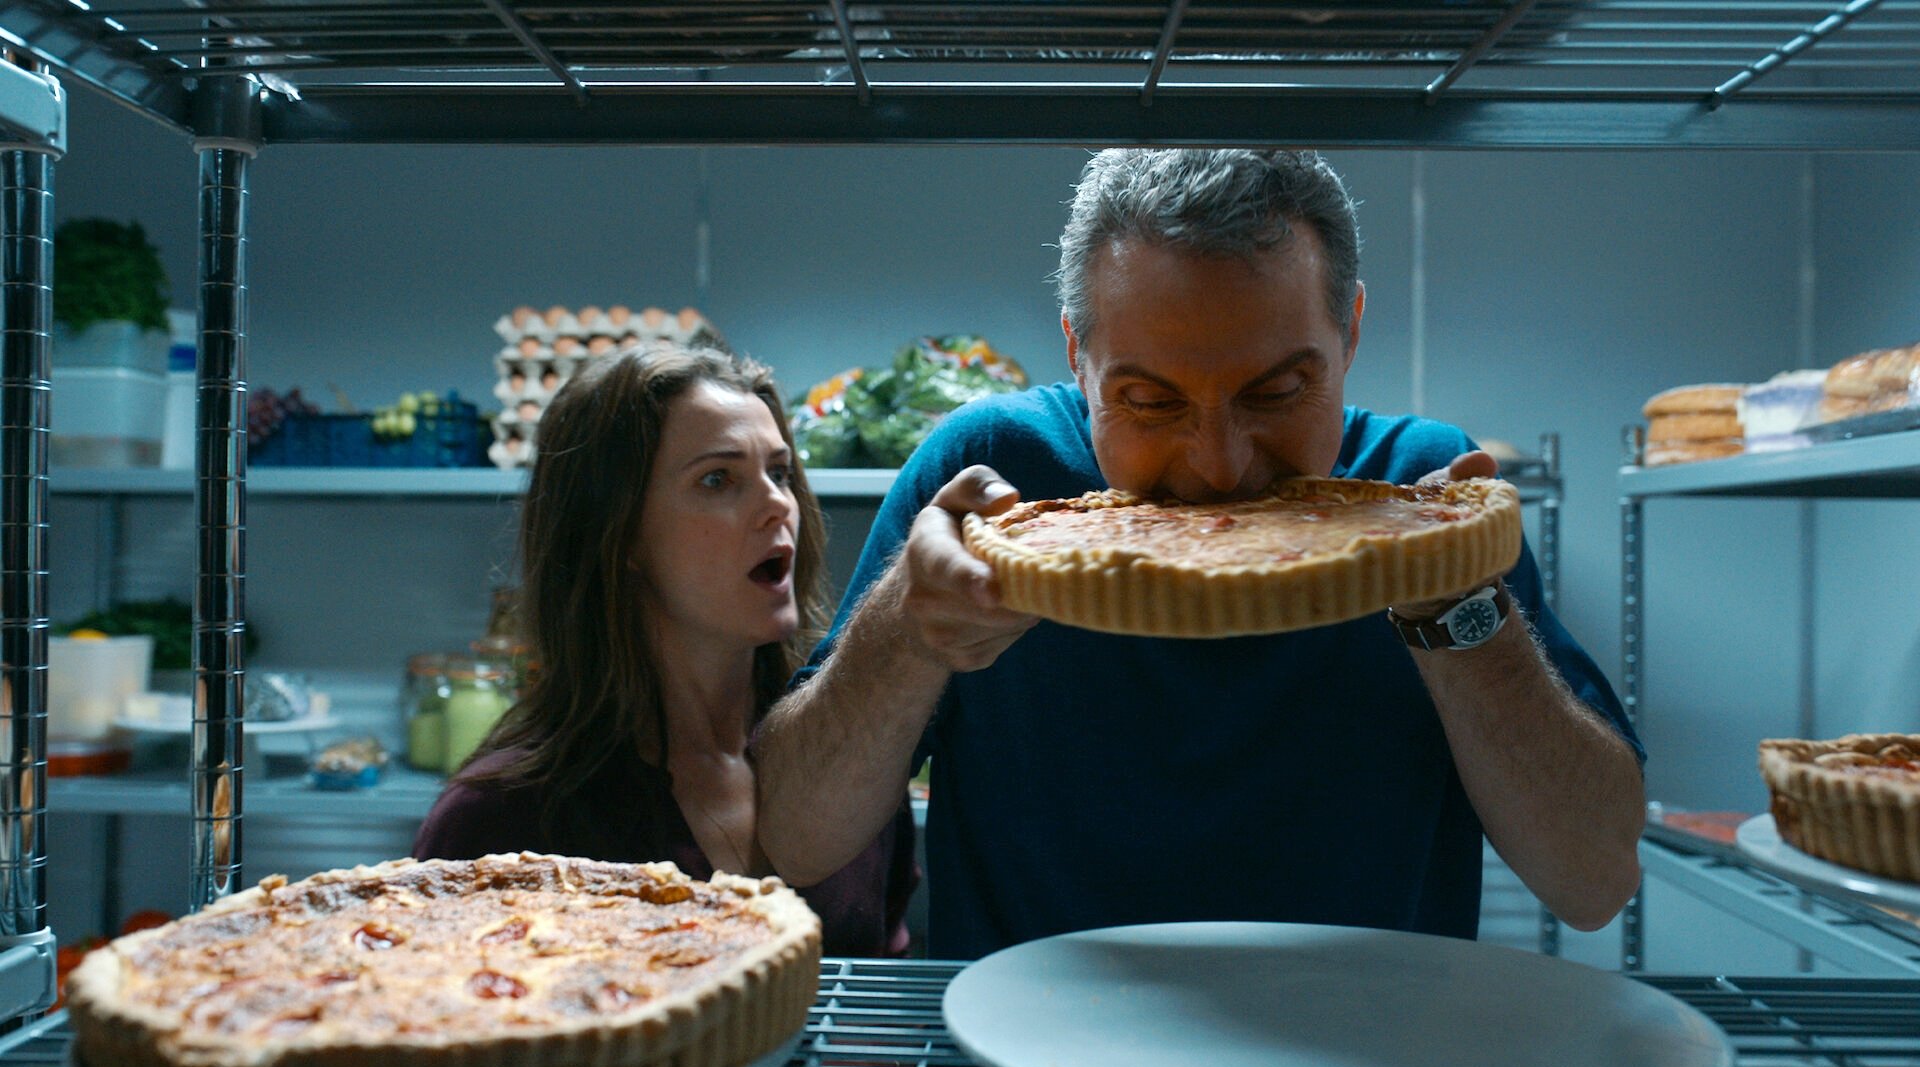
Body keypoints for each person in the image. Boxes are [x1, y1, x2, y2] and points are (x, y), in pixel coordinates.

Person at [752, 149, 1646, 961]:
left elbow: (1594, 881)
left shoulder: (1418, 494)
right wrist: (907, 630)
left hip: (1369, 1042)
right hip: (1029, 1043)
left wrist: (1454, 608)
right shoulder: (996, 480)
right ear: (1078, 353)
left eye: (1278, 391)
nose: (1219, 466)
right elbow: (797, 839)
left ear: (1350, 332)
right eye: (1151, 402)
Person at [413, 341, 918, 958]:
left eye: (780, 473)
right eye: (717, 479)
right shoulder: (500, 822)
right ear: (618, 531)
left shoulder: (849, 756)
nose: (777, 505)